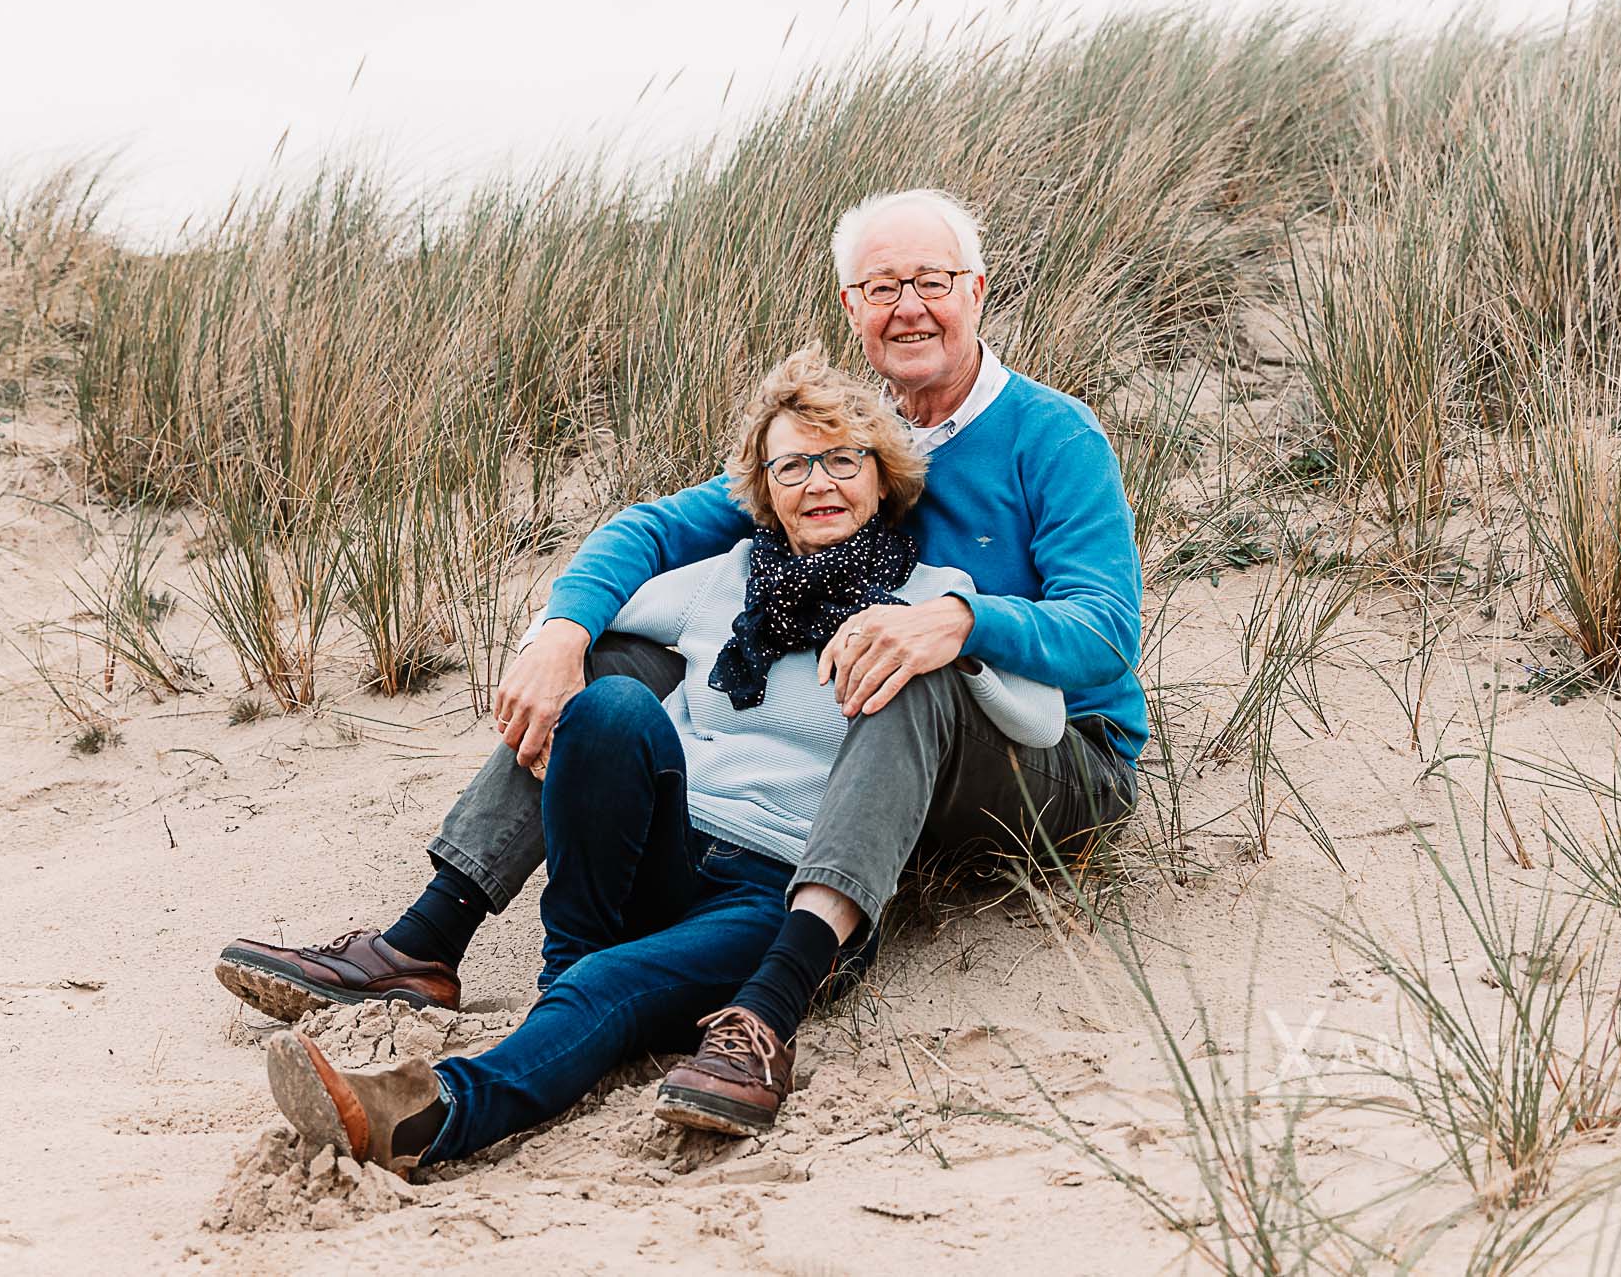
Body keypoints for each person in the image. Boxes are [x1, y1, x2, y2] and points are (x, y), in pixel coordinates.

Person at [218, 187, 1145, 1137]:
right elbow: (653, 531)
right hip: (780, 799)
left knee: (923, 669)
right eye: (881, 286)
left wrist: (959, 618)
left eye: (931, 281)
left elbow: (1106, 630)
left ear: (977, 290)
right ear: (851, 308)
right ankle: (431, 936)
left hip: (1055, 749)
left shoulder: (1050, 436)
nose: (908, 304)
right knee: (614, 666)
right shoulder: (849, 437)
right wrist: (561, 633)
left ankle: (774, 993)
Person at [259, 350, 1064, 1174]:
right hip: (669, 851)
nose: (819, 482)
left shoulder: (934, 595)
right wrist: (556, 641)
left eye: (842, 459)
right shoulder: (726, 577)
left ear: (883, 476)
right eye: (791, 464)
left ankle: (430, 1113)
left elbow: (1041, 715)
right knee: (607, 700)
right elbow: (590, 612)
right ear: (763, 489)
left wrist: (950, 644)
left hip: (775, 896)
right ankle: (559, 975)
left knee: (609, 985)